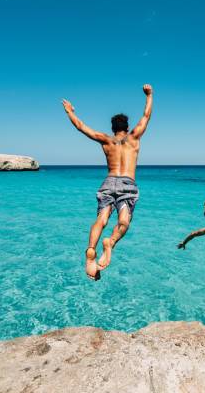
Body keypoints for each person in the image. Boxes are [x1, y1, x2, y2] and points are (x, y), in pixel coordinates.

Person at [62, 84, 153, 280]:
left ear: (113, 129)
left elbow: (81, 127)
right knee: (124, 222)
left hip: (108, 182)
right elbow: (146, 116)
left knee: (101, 220)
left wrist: (70, 112)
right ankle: (110, 243)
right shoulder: (134, 137)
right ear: (127, 128)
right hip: (127, 184)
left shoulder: (105, 140)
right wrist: (149, 95)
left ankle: (90, 250)